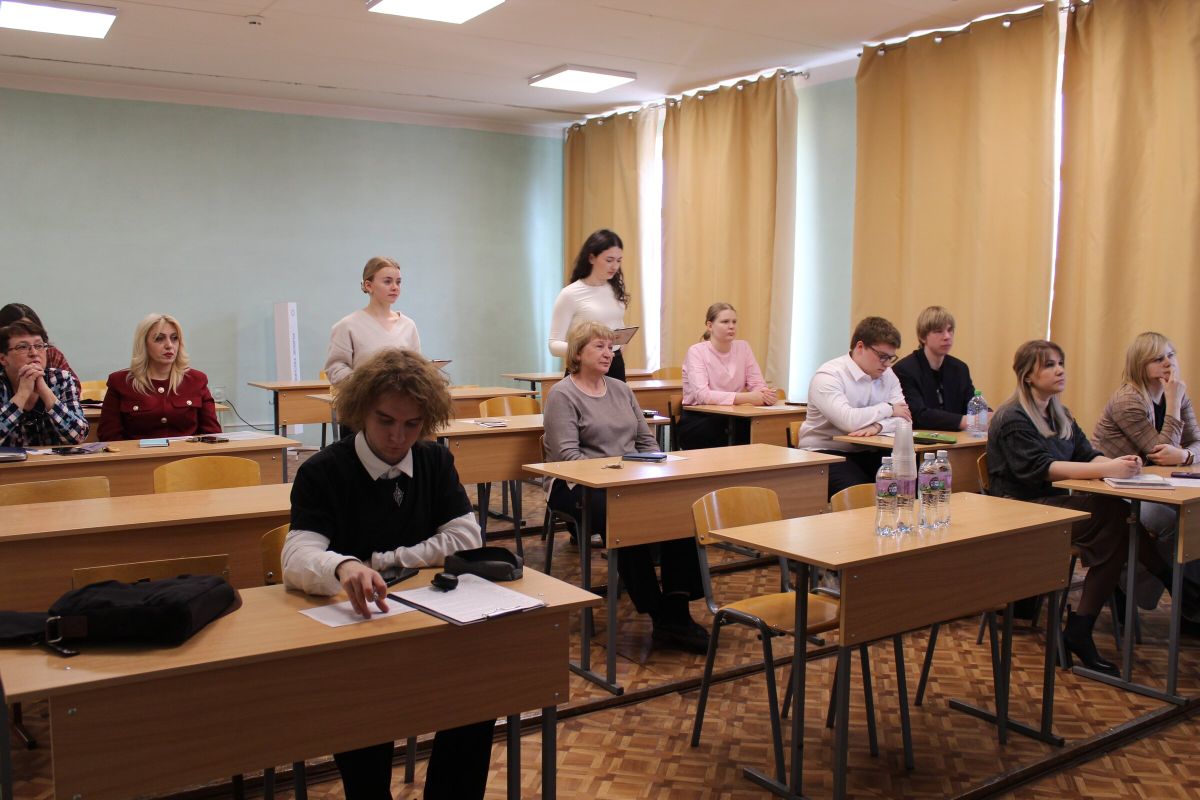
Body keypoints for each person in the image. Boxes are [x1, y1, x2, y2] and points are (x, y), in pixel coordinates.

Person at [282, 348, 493, 799]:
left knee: (477, 698)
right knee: (363, 716)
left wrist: (383, 560)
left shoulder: (434, 460)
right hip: (357, 641)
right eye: (385, 421)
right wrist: (343, 565)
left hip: (428, 626)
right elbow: (297, 555)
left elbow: (465, 536)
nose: (398, 437)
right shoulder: (323, 471)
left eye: (412, 424)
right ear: (361, 412)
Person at [987, 340, 1187, 675]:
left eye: (1061, 363)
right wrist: (1108, 468)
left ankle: (1080, 630)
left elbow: (1086, 453)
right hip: (1018, 510)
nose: (1060, 370)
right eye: (1049, 365)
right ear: (1028, 376)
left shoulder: (1060, 414)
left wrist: (1120, 465)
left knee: (1116, 521)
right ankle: (1170, 582)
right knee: (1115, 518)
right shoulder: (1013, 417)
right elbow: (1043, 469)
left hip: (1049, 505)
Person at [543, 321, 708, 652]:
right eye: (599, 347)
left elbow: (646, 442)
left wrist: (652, 470)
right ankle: (657, 611)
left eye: (611, 347)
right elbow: (568, 457)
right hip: (576, 485)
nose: (609, 353)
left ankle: (677, 605)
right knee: (623, 515)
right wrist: (617, 474)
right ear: (577, 353)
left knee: (679, 508)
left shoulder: (621, 389)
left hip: (626, 478)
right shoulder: (563, 394)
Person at [1092, 331, 1200, 621]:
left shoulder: (1176, 392)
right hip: (1112, 491)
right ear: (1140, 364)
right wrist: (1173, 404)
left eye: (1171, 355)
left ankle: (1188, 604)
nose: (1168, 363)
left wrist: (1186, 456)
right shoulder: (1128, 400)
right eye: (1157, 358)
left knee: (1195, 519)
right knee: (1174, 524)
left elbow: (1195, 443)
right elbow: (1160, 454)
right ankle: (1133, 587)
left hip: (1151, 485)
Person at [798, 316, 911, 497]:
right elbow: (848, 421)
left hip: (871, 451)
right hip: (825, 454)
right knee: (862, 495)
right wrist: (889, 408)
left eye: (891, 358)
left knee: (910, 485)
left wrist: (878, 426)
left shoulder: (888, 375)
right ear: (860, 347)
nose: (887, 364)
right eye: (882, 357)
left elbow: (905, 420)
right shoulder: (829, 375)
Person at [98, 313, 220, 442]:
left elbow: (212, 434)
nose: (169, 345)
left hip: (188, 454)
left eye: (174, 338)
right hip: (138, 455)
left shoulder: (196, 380)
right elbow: (109, 437)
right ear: (144, 344)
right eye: (159, 339)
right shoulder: (120, 383)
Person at [678, 302, 777, 449]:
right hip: (700, 419)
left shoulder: (743, 347)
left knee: (763, 429)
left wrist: (765, 395)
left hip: (734, 415)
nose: (731, 326)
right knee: (734, 432)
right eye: (725, 322)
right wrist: (749, 397)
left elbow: (757, 384)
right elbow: (703, 396)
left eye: (734, 322)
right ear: (710, 326)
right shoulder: (696, 351)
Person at [325, 256, 421, 387]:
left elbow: (417, 368)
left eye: (398, 282)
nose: (395, 287)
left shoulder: (408, 325)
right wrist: (368, 384)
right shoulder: (347, 326)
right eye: (387, 282)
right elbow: (335, 368)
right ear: (368, 286)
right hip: (364, 398)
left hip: (402, 397)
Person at [548, 229, 631, 382]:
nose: (615, 266)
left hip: (615, 364)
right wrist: (586, 350)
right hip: (584, 367)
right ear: (592, 258)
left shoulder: (615, 288)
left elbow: (616, 324)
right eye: (609, 260)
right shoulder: (570, 294)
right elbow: (553, 345)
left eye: (619, 261)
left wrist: (618, 344)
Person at [0, 319, 88, 446]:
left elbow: (79, 436)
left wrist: (45, 391)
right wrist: (22, 394)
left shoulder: (61, 379)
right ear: (3, 358)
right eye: (22, 347)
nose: (34, 353)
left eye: (39, 346)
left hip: (54, 459)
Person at [893, 305, 978, 431]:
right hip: (921, 440)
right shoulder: (905, 370)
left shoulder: (960, 369)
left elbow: (972, 404)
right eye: (939, 331)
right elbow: (918, 415)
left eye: (950, 330)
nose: (947, 336)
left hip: (958, 439)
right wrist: (964, 421)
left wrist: (988, 416)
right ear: (923, 337)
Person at [0, 303, 76, 381]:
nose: (34, 353)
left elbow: (74, 387)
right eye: (22, 347)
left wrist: (39, 381)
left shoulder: (51, 353)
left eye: (31, 329)